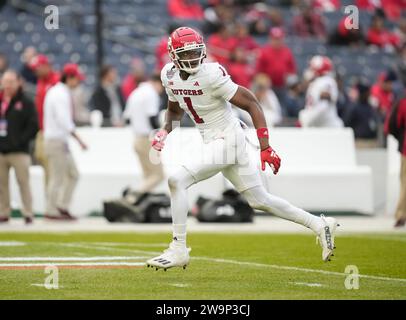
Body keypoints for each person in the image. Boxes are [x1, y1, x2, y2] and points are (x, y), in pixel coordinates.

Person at [146, 27, 339, 271]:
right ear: (173, 56)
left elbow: (251, 103)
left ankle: (179, 248)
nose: (193, 58)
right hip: (216, 140)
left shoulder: (212, 74)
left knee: (176, 180)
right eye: (186, 54)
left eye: (196, 52)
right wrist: (165, 131)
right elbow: (175, 110)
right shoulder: (169, 75)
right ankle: (320, 224)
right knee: (260, 200)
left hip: (228, 139)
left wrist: (266, 146)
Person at [43, 63, 88, 220]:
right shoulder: (60, 94)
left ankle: (62, 206)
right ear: (69, 78)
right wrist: (79, 140)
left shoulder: (57, 91)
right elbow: (64, 120)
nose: (78, 83)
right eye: (77, 79)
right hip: (56, 141)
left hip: (59, 141)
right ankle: (51, 210)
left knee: (73, 174)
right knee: (57, 177)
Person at [0, 70, 38, 224]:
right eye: (5, 81)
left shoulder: (26, 102)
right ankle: (3, 211)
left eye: (11, 81)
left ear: (18, 82)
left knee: (23, 182)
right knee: (1, 185)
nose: (7, 85)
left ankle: (28, 212)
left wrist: (21, 141)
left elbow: (34, 125)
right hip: (1, 150)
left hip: (19, 151)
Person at [124, 74, 165, 193]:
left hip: (137, 139)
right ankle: (132, 195)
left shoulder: (135, 93)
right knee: (158, 175)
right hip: (147, 140)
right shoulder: (151, 94)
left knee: (148, 176)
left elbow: (127, 119)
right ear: (157, 83)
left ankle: (138, 203)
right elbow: (152, 118)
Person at [30, 54, 59, 187]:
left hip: (52, 133)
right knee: (45, 166)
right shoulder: (41, 81)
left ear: (46, 66)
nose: (36, 71)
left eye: (38, 68)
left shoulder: (55, 81)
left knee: (53, 170)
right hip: (42, 130)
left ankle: (54, 203)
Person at [299, 55, 344, 127]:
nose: (310, 69)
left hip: (327, 125)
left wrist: (308, 118)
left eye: (312, 67)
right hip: (318, 124)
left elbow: (324, 105)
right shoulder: (316, 82)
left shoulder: (326, 81)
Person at [256, 27, 296, 101]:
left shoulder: (287, 52)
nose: (277, 41)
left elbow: (292, 71)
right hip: (268, 88)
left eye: (279, 39)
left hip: (283, 87)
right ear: (270, 39)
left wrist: (291, 86)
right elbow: (259, 73)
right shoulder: (264, 52)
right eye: (275, 39)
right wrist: (264, 83)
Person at [386, 78, 406, 227]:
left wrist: (400, 138)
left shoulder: (403, 102)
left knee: (405, 183)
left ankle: (401, 214)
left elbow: (393, 125)